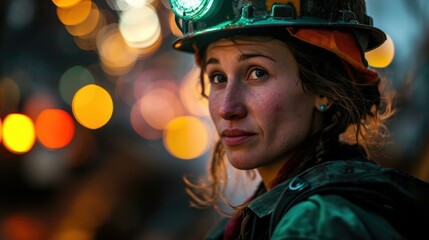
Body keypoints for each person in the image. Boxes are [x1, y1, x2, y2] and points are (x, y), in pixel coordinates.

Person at [168, 0, 429, 239]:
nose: (227, 108)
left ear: (325, 89)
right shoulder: (259, 218)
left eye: (257, 72)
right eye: (218, 77)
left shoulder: (319, 224)